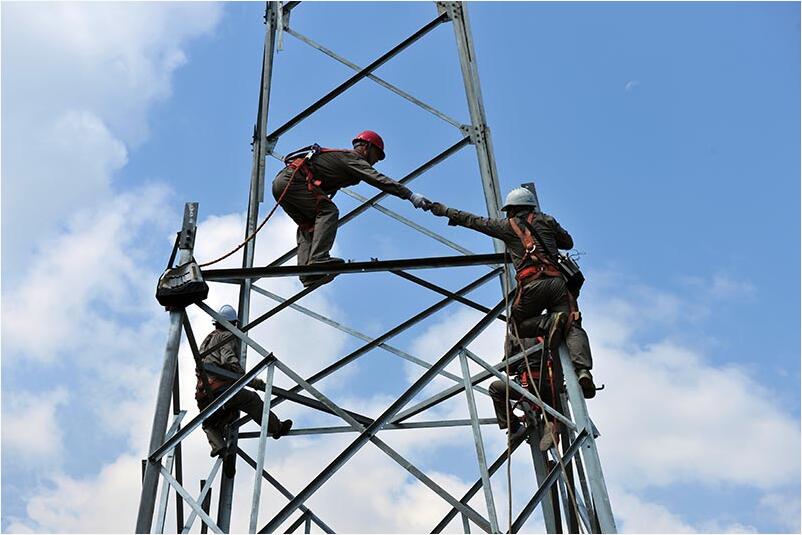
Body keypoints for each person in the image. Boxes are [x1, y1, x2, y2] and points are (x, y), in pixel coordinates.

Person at [428, 187, 597, 399]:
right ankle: (582, 370)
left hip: (533, 285)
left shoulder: (507, 226)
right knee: (572, 323)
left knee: (516, 325)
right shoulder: (548, 221)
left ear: (512, 209)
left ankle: (550, 322)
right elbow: (567, 242)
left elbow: (475, 222)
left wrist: (446, 212)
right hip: (557, 283)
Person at [272, 130, 431, 287]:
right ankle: (318, 259)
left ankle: (308, 273)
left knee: (309, 224)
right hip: (293, 182)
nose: (377, 161)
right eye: (377, 155)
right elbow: (377, 179)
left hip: (281, 184)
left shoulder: (342, 158)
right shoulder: (352, 158)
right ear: (366, 147)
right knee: (328, 211)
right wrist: (410, 195)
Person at [195, 305, 292, 469]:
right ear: (233, 323)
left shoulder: (206, 340)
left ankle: (221, 449)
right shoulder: (226, 336)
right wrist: (247, 379)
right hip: (221, 389)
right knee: (252, 400)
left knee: (210, 423)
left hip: (204, 394)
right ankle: (276, 428)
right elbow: (228, 360)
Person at [489, 335, 564, 451]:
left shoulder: (515, 336)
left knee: (495, 388)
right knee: (550, 406)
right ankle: (550, 423)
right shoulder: (547, 331)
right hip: (551, 385)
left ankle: (515, 428)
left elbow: (508, 367)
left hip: (528, 383)